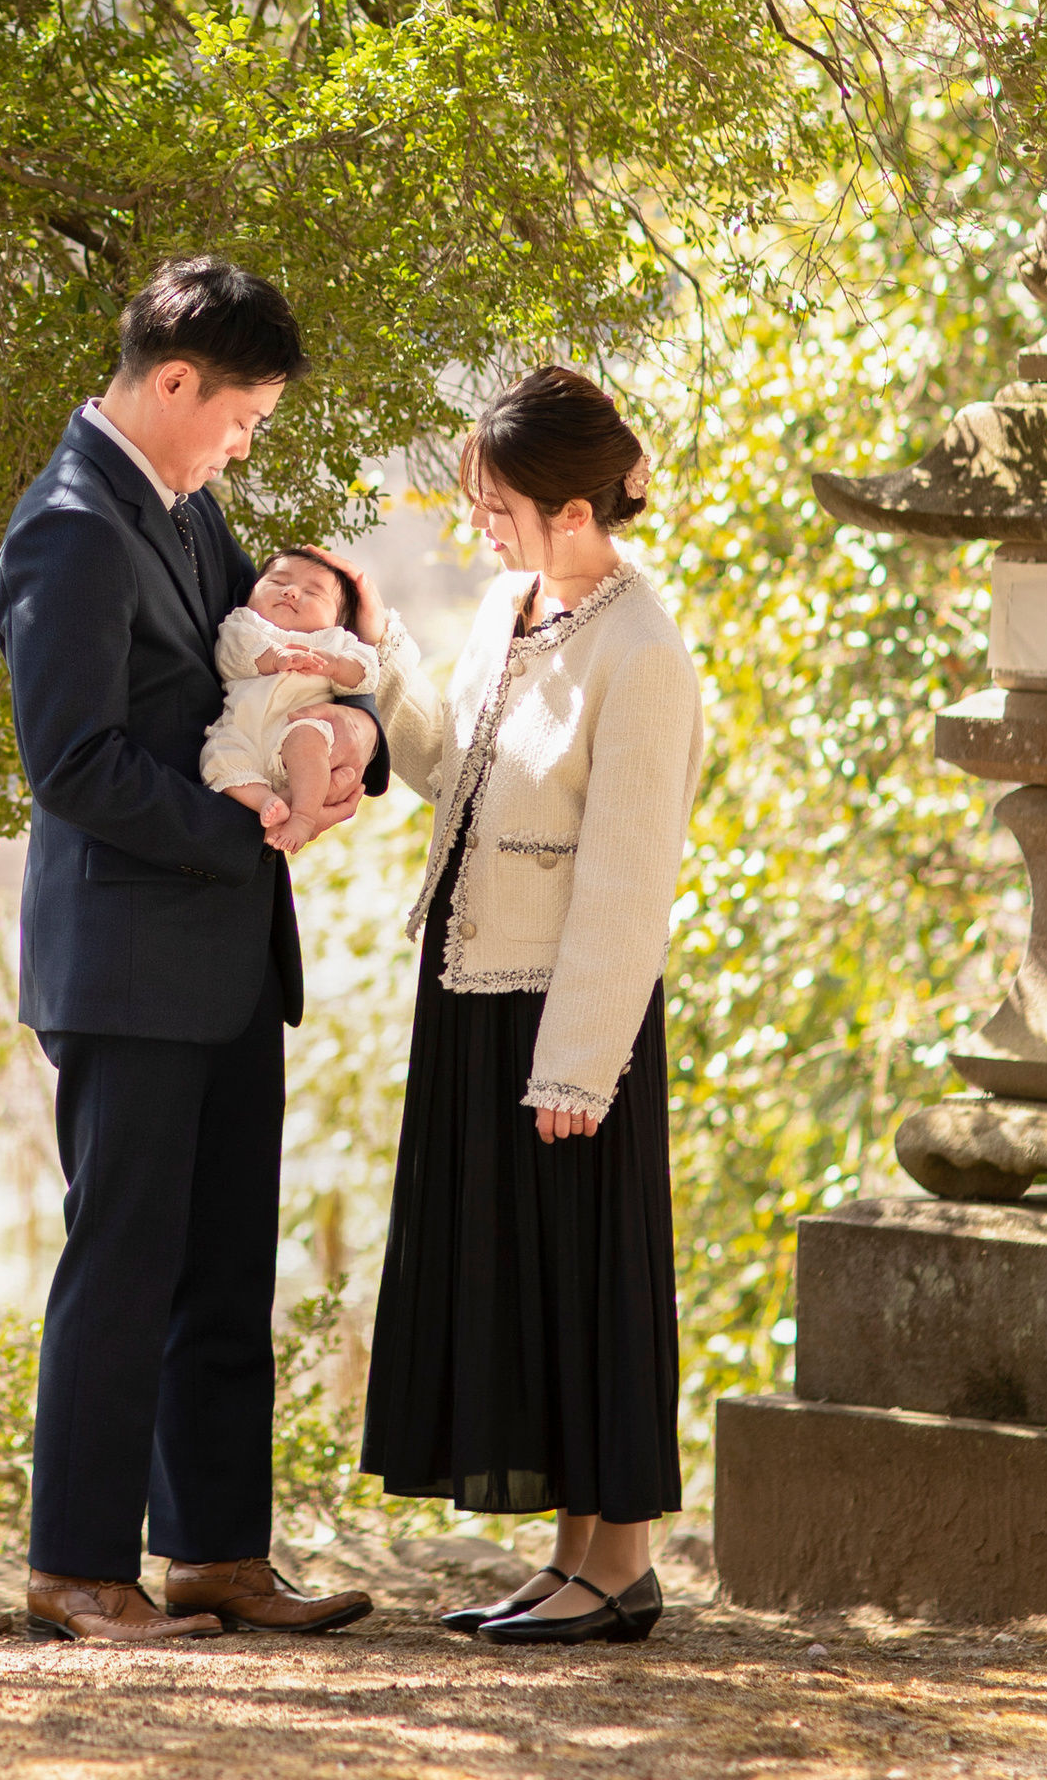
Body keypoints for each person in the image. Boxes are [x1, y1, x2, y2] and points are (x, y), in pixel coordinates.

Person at [0, 257, 388, 1646]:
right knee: (125, 1263)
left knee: (223, 1262)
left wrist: (352, 749)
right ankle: (78, 1566)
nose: (243, 446)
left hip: (221, 960)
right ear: (173, 383)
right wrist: (250, 837)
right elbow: (76, 765)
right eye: (239, 419)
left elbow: (267, 655)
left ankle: (216, 1553)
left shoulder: (183, 508)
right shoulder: (70, 528)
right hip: (126, 964)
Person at [323, 365, 703, 1648]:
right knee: (530, 1287)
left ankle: (624, 1569)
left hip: (570, 1017)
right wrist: (381, 649)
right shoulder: (511, 604)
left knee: (590, 1283)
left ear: (572, 506)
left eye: (498, 504)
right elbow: (445, 764)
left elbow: (629, 876)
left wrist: (578, 1066)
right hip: (473, 994)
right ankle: (573, 1563)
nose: (480, 523)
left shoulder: (644, 652)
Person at [200, 551, 382, 854]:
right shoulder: (245, 624)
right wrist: (274, 657)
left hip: (295, 733)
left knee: (308, 738)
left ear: (336, 620)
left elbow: (366, 672)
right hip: (242, 733)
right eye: (278, 580)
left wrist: (335, 666)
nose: (291, 591)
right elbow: (231, 653)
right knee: (217, 757)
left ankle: (302, 816)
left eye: (313, 592)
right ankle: (265, 801)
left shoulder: (333, 642)